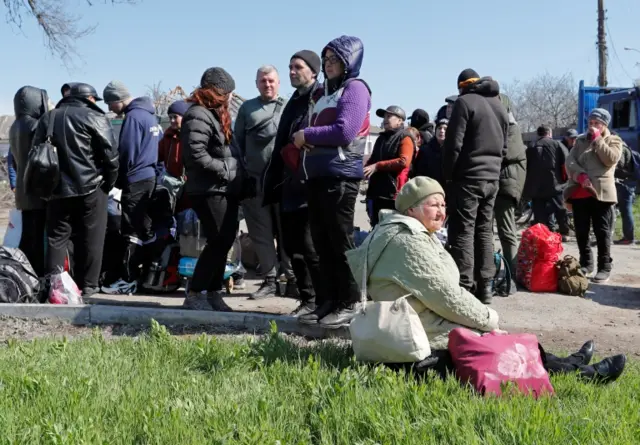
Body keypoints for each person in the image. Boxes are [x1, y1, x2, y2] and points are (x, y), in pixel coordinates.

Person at [346, 176, 626, 382]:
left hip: (410, 329)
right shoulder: (408, 242)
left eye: (443, 204)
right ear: (411, 210)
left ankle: (570, 364)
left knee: (495, 338)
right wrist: (488, 319)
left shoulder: (398, 232)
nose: (442, 211)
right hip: (414, 345)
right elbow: (446, 297)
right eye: (433, 205)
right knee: (499, 344)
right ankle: (584, 375)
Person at [293, 35, 372, 327]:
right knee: (320, 242)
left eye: (334, 60)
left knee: (340, 241)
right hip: (316, 175)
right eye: (325, 60)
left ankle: (350, 300)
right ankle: (327, 301)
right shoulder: (323, 92)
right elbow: (307, 126)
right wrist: (299, 136)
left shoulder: (355, 89)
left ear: (349, 62)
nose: (328, 65)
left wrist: (308, 137)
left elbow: (345, 130)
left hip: (340, 177)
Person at [32, 83, 119, 296]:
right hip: (91, 187)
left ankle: (55, 286)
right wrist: (108, 184)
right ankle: (88, 286)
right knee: (92, 237)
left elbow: (35, 153)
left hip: (55, 189)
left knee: (57, 237)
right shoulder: (94, 117)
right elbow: (111, 156)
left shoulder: (48, 118)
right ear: (88, 98)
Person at [263, 49, 324, 316]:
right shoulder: (295, 101)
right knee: (292, 246)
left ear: (313, 71)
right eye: (290, 67)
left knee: (310, 246)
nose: (292, 71)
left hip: (310, 183)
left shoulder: (320, 98)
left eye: (297, 67)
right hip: (288, 184)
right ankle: (307, 299)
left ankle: (321, 301)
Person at [443, 69, 508, 304]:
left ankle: (464, 287)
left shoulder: (464, 103)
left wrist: (448, 176)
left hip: (468, 179)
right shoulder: (499, 106)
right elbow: (505, 147)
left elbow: (453, 145)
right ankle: (487, 287)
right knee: (484, 231)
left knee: (463, 232)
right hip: (492, 179)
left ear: (461, 86)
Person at [180, 67, 243, 311]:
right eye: (227, 93)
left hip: (221, 188)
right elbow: (196, 154)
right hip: (208, 188)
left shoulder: (213, 114)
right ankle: (196, 292)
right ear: (217, 91)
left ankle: (214, 292)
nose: (229, 98)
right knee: (219, 240)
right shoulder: (198, 114)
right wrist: (226, 170)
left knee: (224, 240)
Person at [235, 65, 295, 300]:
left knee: (287, 232)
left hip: (284, 181)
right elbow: (238, 143)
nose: (267, 85)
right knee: (260, 232)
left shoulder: (289, 106)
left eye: (271, 81)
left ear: (278, 83)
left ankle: (292, 280)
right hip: (255, 182)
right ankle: (269, 280)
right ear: (256, 83)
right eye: (262, 81)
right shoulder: (247, 108)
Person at [101, 81, 162, 295]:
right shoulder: (149, 116)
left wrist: (117, 179)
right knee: (145, 227)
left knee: (131, 229)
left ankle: (128, 278)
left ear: (119, 99)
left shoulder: (133, 118)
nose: (109, 108)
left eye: (110, 103)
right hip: (150, 177)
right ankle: (150, 272)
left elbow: (126, 152)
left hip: (135, 179)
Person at [564, 108, 622, 283]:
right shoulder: (580, 141)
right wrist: (579, 175)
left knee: (602, 232)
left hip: (601, 194)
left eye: (596, 123)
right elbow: (570, 161)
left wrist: (598, 140)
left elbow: (610, 159)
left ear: (604, 124)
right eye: (590, 123)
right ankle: (586, 264)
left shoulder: (614, 140)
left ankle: (604, 266)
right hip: (580, 192)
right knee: (581, 231)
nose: (592, 126)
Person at [8, 86, 49, 276]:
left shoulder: (15, 126)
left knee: (28, 236)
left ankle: (25, 273)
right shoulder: (36, 125)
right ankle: (38, 274)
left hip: (24, 192)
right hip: (38, 190)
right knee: (39, 238)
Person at [364, 105, 415, 227]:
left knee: (391, 228)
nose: (385, 119)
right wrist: (363, 171)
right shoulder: (381, 138)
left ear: (400, 120)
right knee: (376, 226)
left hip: (393, 195)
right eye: (384, 117)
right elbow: (373, 160)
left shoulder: (405, 137)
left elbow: (404, 161)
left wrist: (378, 166)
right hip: (376, 192)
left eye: (389, 116)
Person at [494, 94, 527, 276]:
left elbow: (506, 154)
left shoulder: (512, 129)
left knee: (507, 231)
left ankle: (512, 273)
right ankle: (493, 269)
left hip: (506, 186)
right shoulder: (499, 127)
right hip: (497, 184)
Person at [524, 125, 570, 237]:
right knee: (560, 210)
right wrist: (565, 180)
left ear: (538, 134)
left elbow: (526, 166)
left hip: (536, 187)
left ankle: (542, 236)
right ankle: (564, 232)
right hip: (555, 185)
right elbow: (566, 164)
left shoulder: (531, 146)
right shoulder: (558, 144)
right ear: (549, 133)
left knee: (539, 214)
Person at [158, 99, 190, 212]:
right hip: (171, 185)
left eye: (175, 117)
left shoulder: (191, 135)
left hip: (188, 186)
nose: (172, 121)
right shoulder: (167, 136)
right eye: (170, 117)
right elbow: (158, 155)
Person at [410, 118, 447, 188]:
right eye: (439, 128)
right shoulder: (425, 150)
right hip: (428, 189)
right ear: (435, 130)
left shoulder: (453, 151)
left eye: (445, 129)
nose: (442, 131)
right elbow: (418, 172)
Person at [613, 141, 636, 245]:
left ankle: (629, 237)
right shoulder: (626, 147)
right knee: (625, 210)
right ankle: (628, 237)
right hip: (628, 183)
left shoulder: (621, 148)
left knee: (626, 210)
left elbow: (620, 164)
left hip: (625, 184)